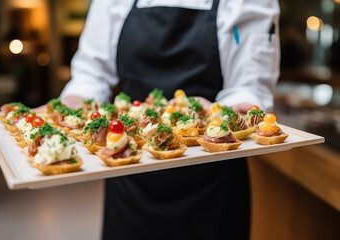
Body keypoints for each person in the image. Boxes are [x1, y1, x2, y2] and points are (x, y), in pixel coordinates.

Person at [60, 0, 280, 239]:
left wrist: (222, 111)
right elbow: (91, 74)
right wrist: (72, 105)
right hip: (127, 167)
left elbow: (248, 85)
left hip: (213, 179)